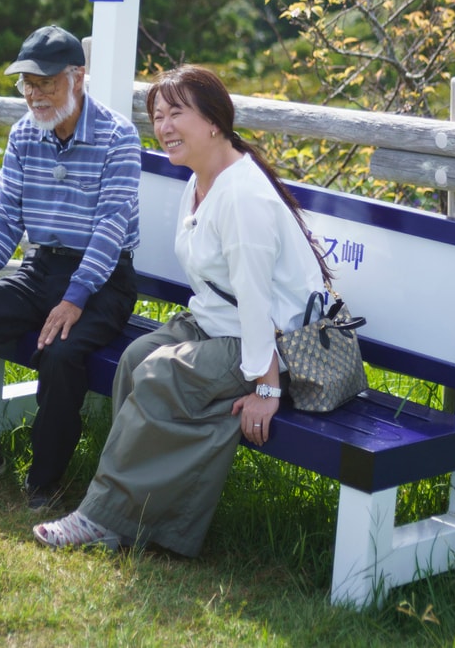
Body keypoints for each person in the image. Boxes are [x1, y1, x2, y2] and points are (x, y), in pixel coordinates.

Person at [32, 63, 330, 554]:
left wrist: (268, 387)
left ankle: (100, 517)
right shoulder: (200, 180)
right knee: (134, 360)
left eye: (176, 114)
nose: (164, 127)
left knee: (159, 375)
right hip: (217, 325)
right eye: (158, 116)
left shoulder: (242, 195)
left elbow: (257, 301)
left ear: (214, 121)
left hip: (271, 345)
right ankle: (136, 517)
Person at [0, 24, 141, 511]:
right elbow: (4, 212)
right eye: (27, 82)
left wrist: (76, 297)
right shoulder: (25, 133)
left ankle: (45, 481)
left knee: (62, 354)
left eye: (45, 82)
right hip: (42, 266)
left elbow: (112, 229)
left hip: (104, 278)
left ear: (78, 77)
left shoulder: (118, 137)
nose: (34, 94)